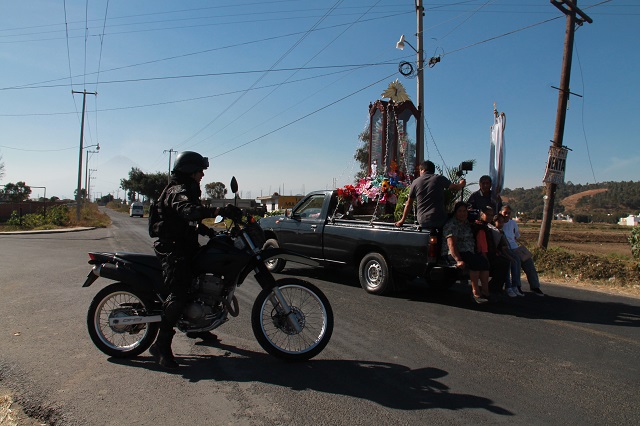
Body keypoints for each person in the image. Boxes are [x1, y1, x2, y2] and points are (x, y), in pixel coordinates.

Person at [149, 151, 241, 368]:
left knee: (200, 282)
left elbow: (192, 221)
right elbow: (188, 211)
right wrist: (218, 210)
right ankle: (161, 345)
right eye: (200, 170)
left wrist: (213, 232)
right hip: (173, 250)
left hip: (186, 246)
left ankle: (199, 327)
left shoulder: (189, 188)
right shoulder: (177, 190)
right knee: (179, 293)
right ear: (190, 170)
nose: (202, 174)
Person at [442, 201, 491, 304]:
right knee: (476, 263)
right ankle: (476, 293)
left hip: (469, 251)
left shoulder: (467, 223)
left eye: (464, 211)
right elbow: (451, 245)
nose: (462, 213)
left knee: (484, 263)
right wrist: (458, 260)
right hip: (456, 253)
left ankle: (486, 292)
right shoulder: (451, 224)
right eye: (460, 211)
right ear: (455, 212)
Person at [395, 160, 465, 229]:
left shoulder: (415, 182)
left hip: (423, 221)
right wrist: (462, 183)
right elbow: (456, 187)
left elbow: (409, 204)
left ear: (423, 170)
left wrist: (402, 220)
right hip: (439, 220)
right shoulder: (439, 178)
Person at [500, 205, 545, 297]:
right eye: (505, 213)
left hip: (515, 247)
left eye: (508, 213)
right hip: (507, 249)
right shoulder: (499, 223)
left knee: (529, 262)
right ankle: (517, 285)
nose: (507, 215)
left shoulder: (513, 223)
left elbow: (516, 235)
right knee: (517, 262)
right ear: (501, 213)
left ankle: (534, 286)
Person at [473, 206, 511, 296]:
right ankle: (493, 289)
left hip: (490, 253)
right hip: (482, 255)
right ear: (482, 214)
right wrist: (486, 258)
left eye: (491, 215)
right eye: (487, 214)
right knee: (502, 263)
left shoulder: (488, 227)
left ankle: (495, 288)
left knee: (505, 262)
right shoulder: (480, 227)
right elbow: (482, 246)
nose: (490, 217)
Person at [489, 213, 520, 297]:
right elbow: (500, 248)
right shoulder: (494, 231)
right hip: (497, 253)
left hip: (503, 251)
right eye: (499, 221)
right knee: (507, 263)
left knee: (516, 261)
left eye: (502, 222)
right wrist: (509, 257)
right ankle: (508, 286)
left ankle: (515, 285)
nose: (501, 224)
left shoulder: (501, 232)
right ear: (494, 221)